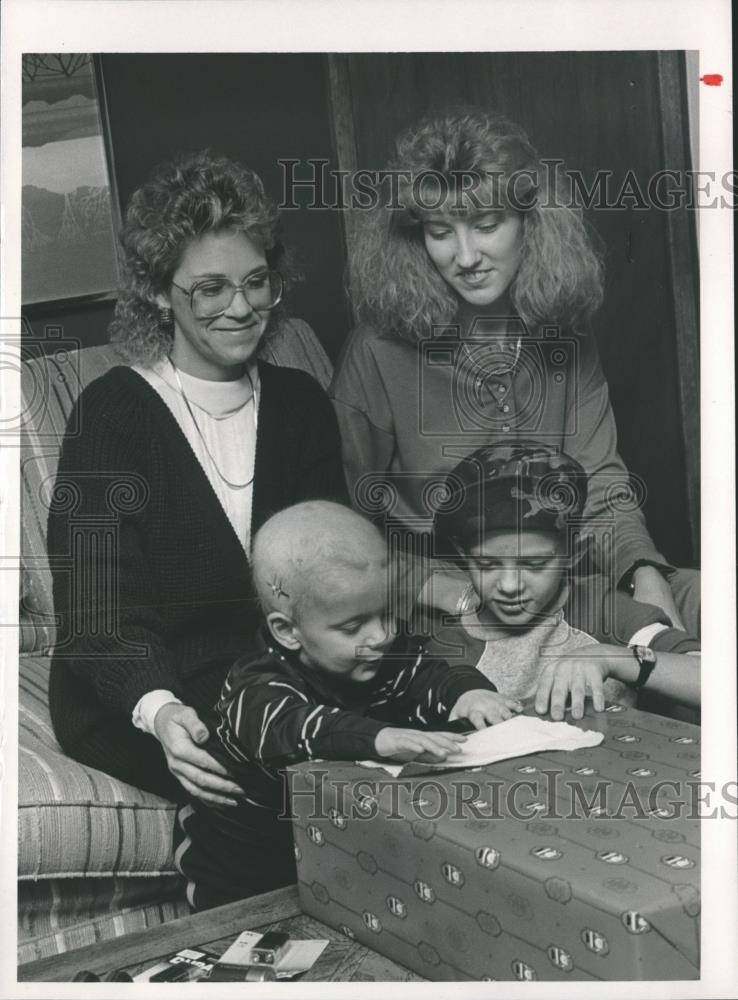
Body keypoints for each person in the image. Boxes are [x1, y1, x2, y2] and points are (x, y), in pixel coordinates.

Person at [47, 151, 348, 806]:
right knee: (285, 783)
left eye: (257, 282)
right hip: (146, 693)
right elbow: (97, 609)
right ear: (159, 291)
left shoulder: (300, 405)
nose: (241, 308)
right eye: (209, 288)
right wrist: (157, 710)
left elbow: (337, 574)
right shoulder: (112, 413)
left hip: (272, 683)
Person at [329, 106, 699, 637]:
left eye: (486, 225)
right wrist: (440, 591)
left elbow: (599, 479)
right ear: (416, 240)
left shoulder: (565, 331)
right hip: (446, 600)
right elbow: (345, 519)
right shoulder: (376, 351)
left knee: (703, 604)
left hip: (570, 579)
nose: (465, 256)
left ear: (530, 222)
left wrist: (643, 568)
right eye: (439, 231)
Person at [174, 501, 514, 909]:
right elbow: (298, 729)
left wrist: (468, 693)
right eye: (353, 626)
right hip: (243, 865)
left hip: (337, 845)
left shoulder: (379, 654)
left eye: (388, 612)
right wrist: (379, 738)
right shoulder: (258, 686)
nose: (382, 635)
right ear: (288, 631)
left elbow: (428, 674)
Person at [428, 442, 701, 721]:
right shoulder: (447, 641)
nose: (509, 586)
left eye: (534, 564)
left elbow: (714, 682)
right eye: (487, 564)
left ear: (574, 553)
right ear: (463, 556)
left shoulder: (604, 610)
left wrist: (613, 659)